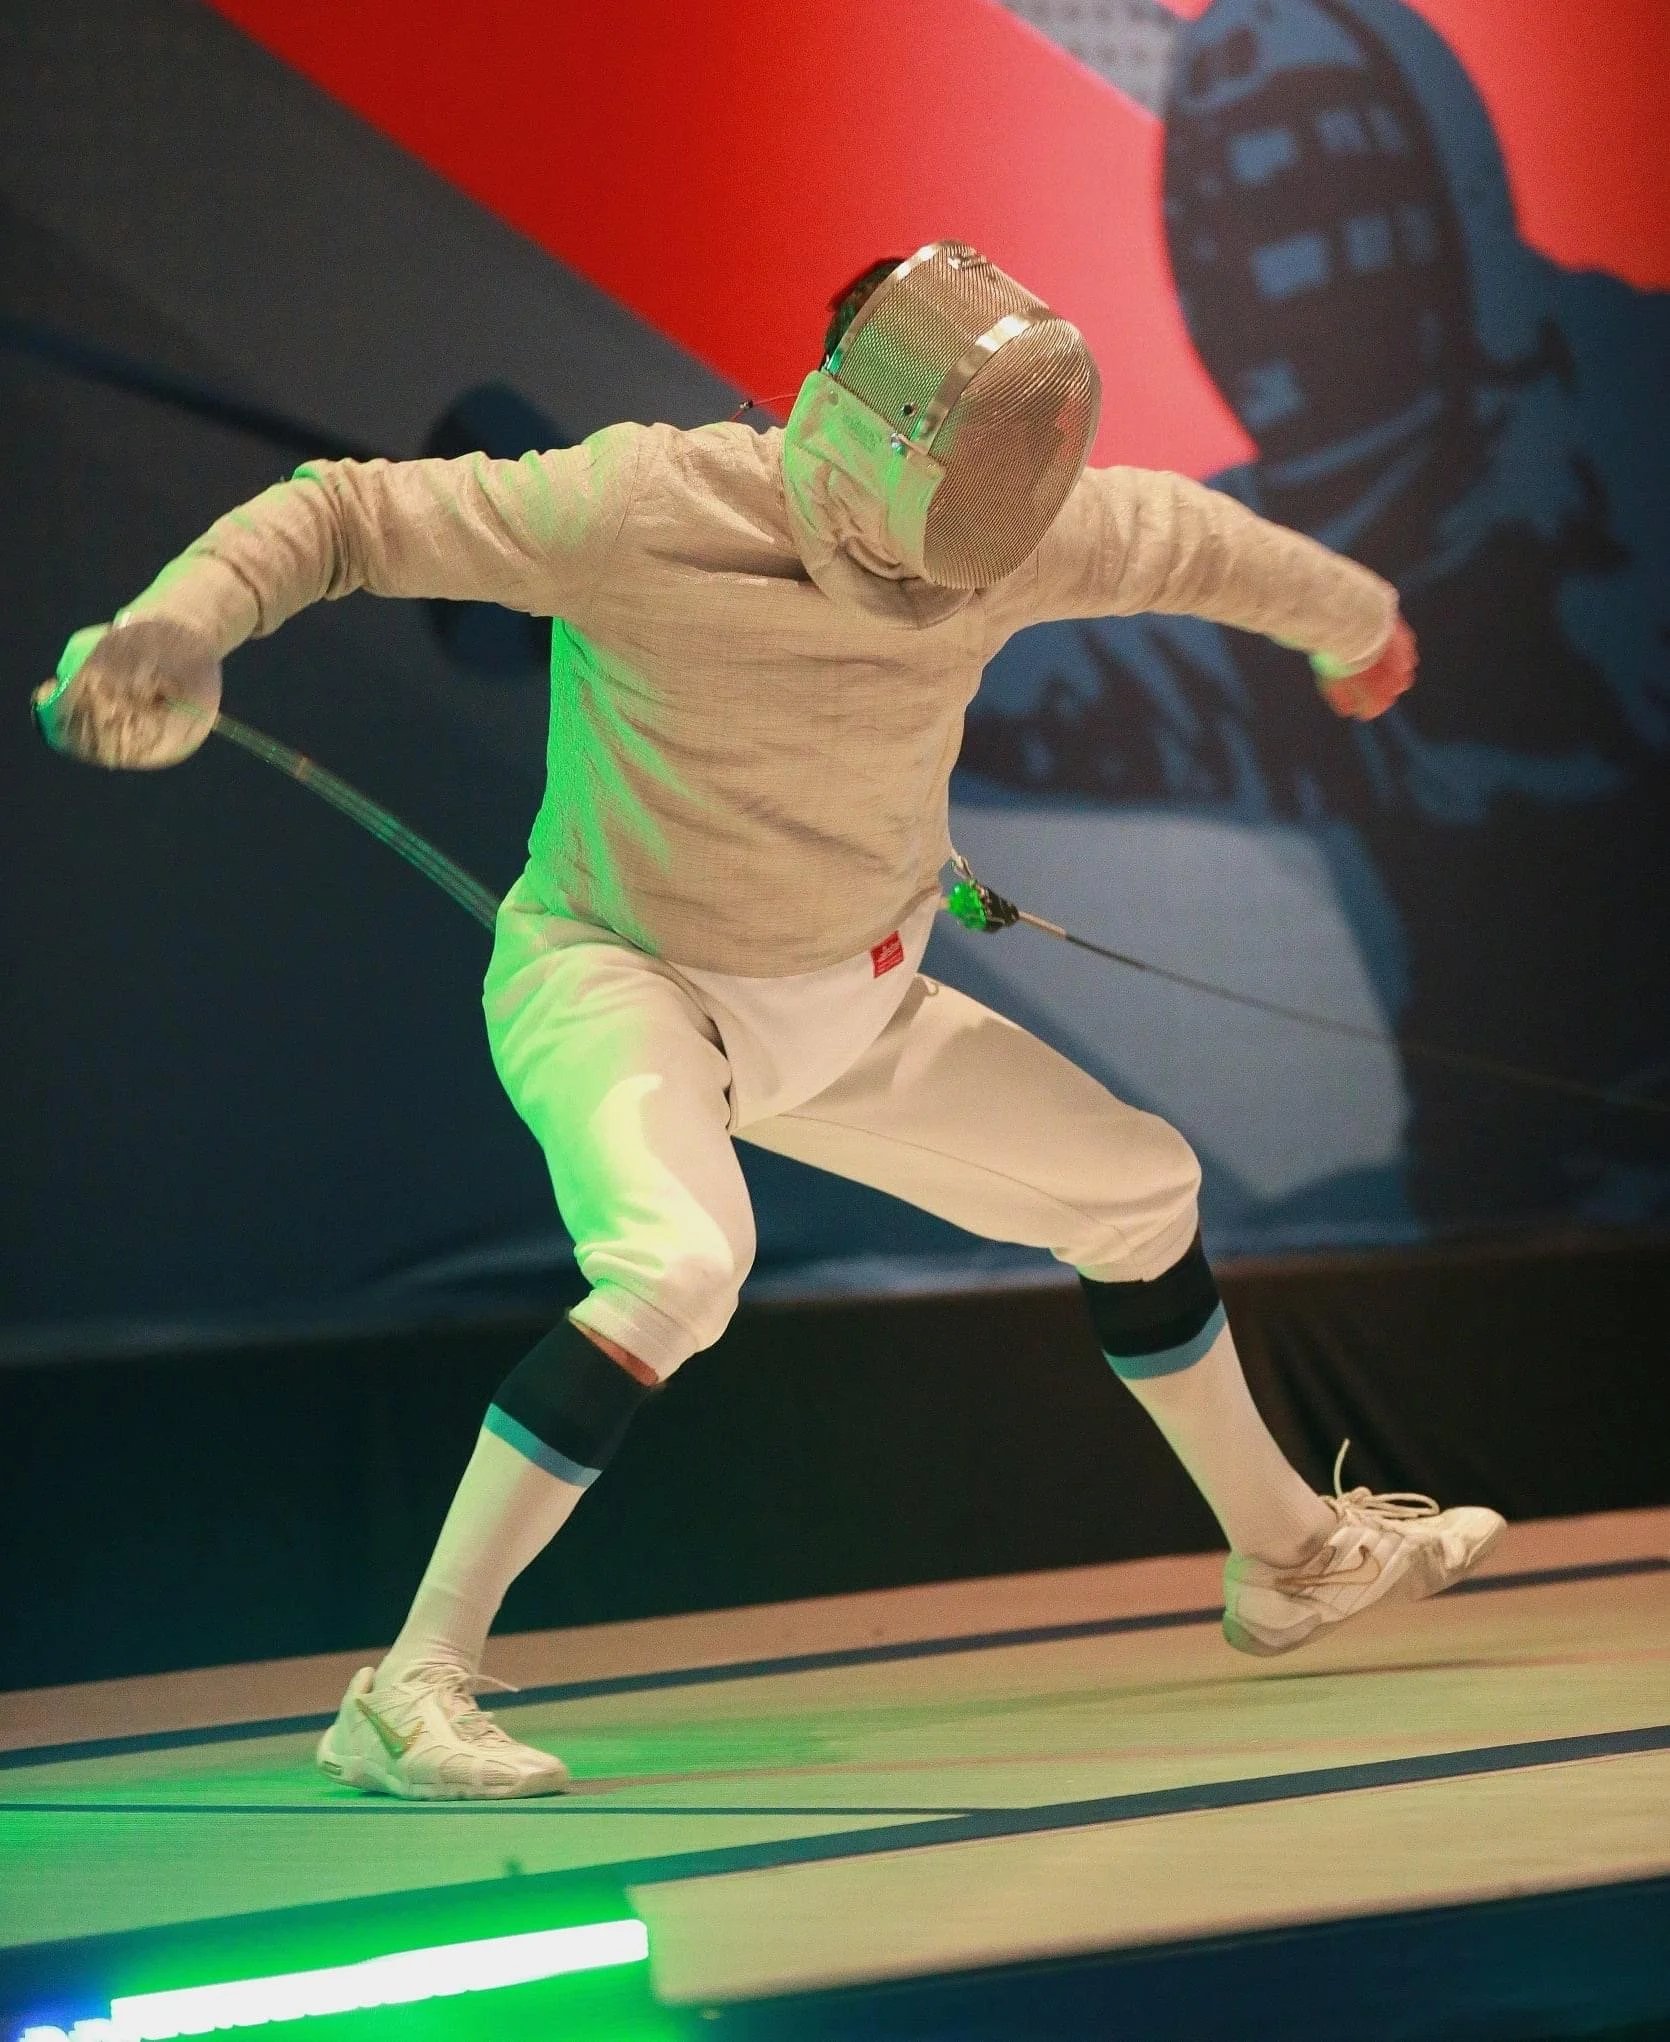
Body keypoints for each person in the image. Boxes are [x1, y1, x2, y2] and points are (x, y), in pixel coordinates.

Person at [35, 243, 1500, 1802]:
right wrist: (175, 622)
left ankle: (1283, 1557)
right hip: (620, 979)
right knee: (678, 1261)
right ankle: (407, 1685)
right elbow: (345, 514)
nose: (980, 551)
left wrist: (1352, 622)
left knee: (1138, 1186)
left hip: (855, 1004)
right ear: (866, 434)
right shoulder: (643, 507)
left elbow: (1192, 543)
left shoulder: (1008, 542)